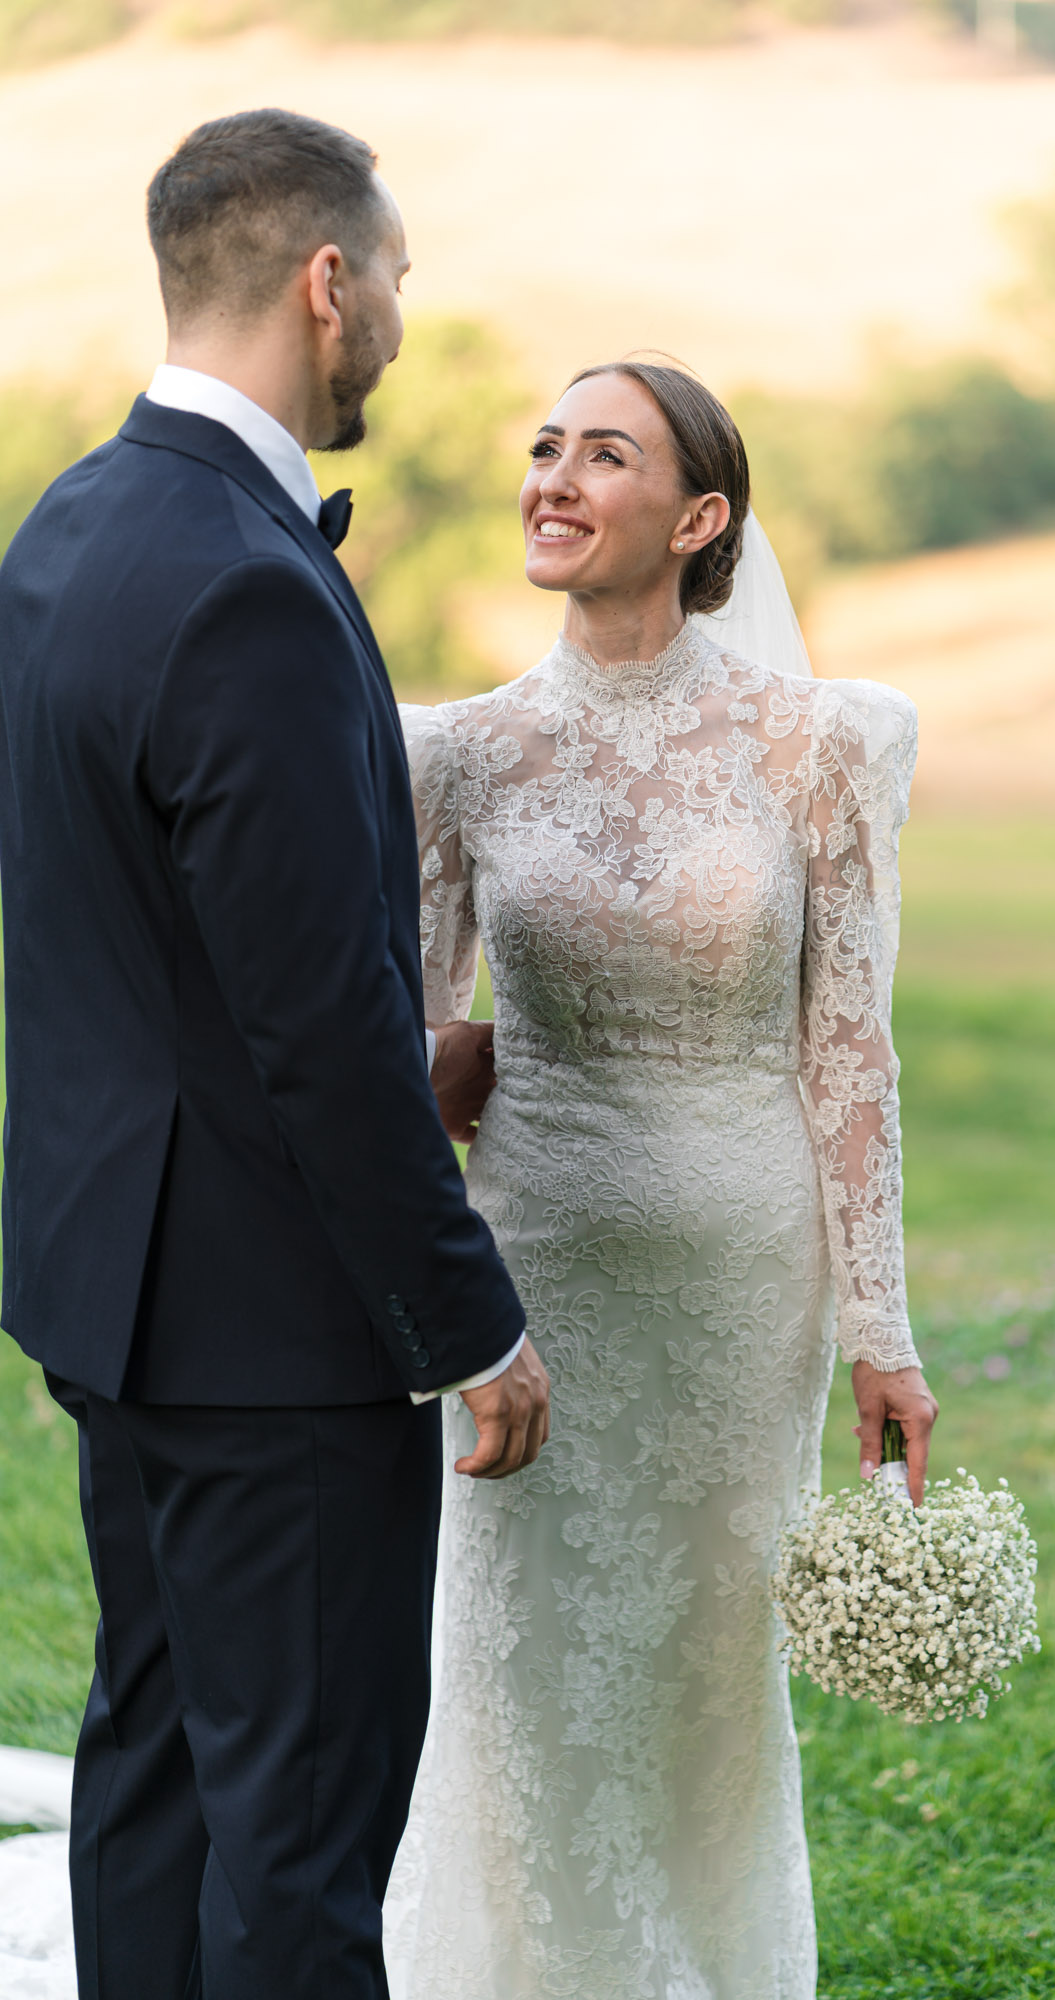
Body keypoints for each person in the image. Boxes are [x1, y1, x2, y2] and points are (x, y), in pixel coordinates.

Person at [0, 109, 549, 2000]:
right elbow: (312, 1025)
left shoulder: (68, 523)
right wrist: (465, 1321)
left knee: (152, 1774)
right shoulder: (247, 578)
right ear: (328, 282)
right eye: (392, 276)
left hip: (110, 1294)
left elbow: (140, 932)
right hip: (271, 1337)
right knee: (302, 1850)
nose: (397, 313)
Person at [386, 361, 939, 1999]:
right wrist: (450, 1063)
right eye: (544, 447)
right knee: (522, 1660)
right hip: (533, 1275)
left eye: (602, 454)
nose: (552, 477)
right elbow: (398, 1050)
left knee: (708, 1672)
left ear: (699, 519)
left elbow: (850, 1054)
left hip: (737, 1288)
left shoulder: (823, 745)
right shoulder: (458, 754)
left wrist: (880, 1328)